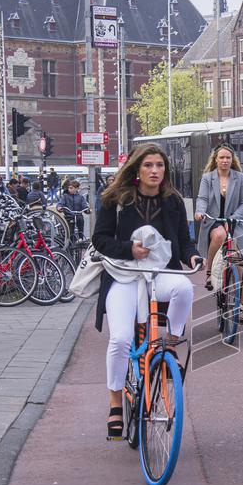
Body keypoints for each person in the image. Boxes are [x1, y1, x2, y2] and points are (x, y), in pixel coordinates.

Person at [91, 143, 202, 438]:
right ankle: (115, 402)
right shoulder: (115, 199)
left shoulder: (174, 202)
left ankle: (170, 342)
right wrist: (129, 249)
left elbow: (183, 239)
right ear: (137, 170)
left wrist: (192, 255)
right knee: (121, 339)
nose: (155, 171)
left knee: (184, 288)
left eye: (160, 166)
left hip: (160, 273)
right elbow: (100, 239)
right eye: (149, 165)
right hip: (124, 275)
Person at [194, 144, 243, 312]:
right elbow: (202, 198)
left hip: (235, 222)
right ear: (216, 159)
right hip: (214, 220)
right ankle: (210, 274)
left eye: (228, 158)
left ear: (232, 160)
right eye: (222, 157)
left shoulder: (239, 177)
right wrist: (200, 212)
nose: (225, 160)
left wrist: (233, 218)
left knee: (239, 261)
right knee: (219, 235)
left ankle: (240, 305)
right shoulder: (208, 178)